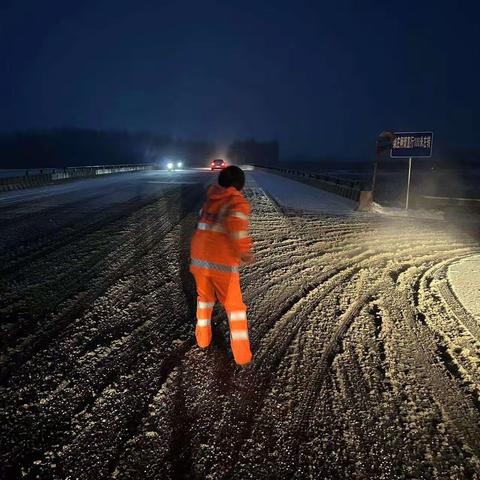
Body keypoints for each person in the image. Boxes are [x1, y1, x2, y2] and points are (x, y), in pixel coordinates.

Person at [190, 166, 254, 365]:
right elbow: (237, 229)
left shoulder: (210, 200)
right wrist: (245, 252)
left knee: (204, 300)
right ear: (239, 185)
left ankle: (202, 340)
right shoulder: (236, 202)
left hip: (199, 261)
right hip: (222, 264)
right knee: (235, 308)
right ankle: (242, 356)